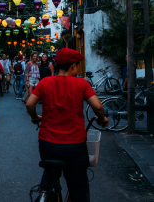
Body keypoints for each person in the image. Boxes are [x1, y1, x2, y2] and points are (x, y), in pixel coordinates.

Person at [26, 48, 109, 202]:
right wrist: (102, 118)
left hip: (47, 142)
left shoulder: (45, 82)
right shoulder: (81, 83)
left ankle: (44, 194)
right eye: (77, 66)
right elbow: (98, 107)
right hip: (74, 144)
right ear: (73, 66)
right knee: (78, 187)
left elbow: (30, 104)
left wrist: (35, 117)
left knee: (50, 170)